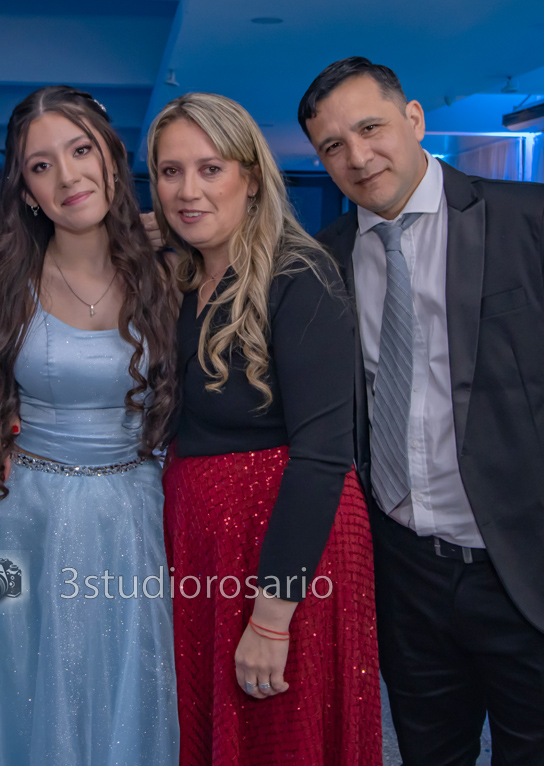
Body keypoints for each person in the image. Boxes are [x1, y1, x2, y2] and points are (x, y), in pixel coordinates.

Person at [300, 57, 544, 765]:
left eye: (370, 128)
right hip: (403, 572)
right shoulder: (324, 258)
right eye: (333, 146)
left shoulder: (528, 217)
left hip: (526, 566)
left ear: (414, 119)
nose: (357, 157)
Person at [0, 85, 180, 765]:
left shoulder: (168, 271)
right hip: (19, 518)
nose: (68, 176)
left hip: (132, 513)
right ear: (26, 192)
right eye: (41, 165)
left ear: (111, 157)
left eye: (81, 151)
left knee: (125, 680)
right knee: (8, 679)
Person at [151, 92, 382, 766]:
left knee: (281, 742)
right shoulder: (183, 277)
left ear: (251, 177)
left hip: (285, 549)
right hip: (210, 546)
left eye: (210, 169)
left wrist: (272, 616)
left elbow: (323, 456)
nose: (188, 190)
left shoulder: (298, 273)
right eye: (170, 172)